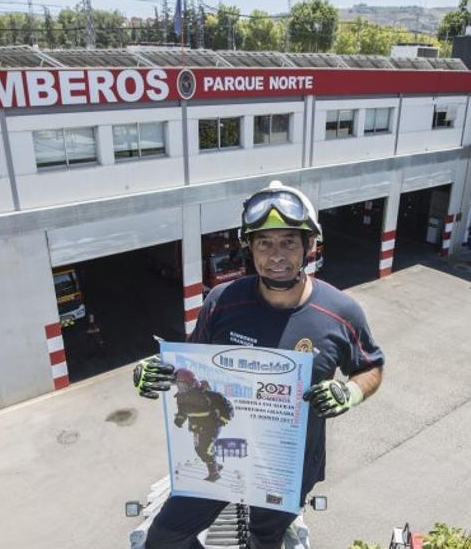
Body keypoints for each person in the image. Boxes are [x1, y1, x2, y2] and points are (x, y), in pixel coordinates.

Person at [133, 180, 385, 549]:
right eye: (264, 242)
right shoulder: (223, 302)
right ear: (249, 248)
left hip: (287, 465)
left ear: (310, 245)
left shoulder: (340, 313)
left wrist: (350, 392)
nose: (276, 255)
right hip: (223, 450)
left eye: (288, 242)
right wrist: (154, 371)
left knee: (264, 541)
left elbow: (371, 367)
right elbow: (191, 364)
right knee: (165, 538)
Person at [172, 369, 234, 482]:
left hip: (211, 426)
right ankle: (216, 465)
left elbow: (227, 407)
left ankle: (214, 474)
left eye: (183, 385)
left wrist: (222, 420)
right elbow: (183, 411)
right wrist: (179, 419)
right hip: (196, 428)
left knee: (206, 450)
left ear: (191, 383)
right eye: (178, 385)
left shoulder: (208, 394)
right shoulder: (181, 397)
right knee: (199, 450)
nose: (181, 388)